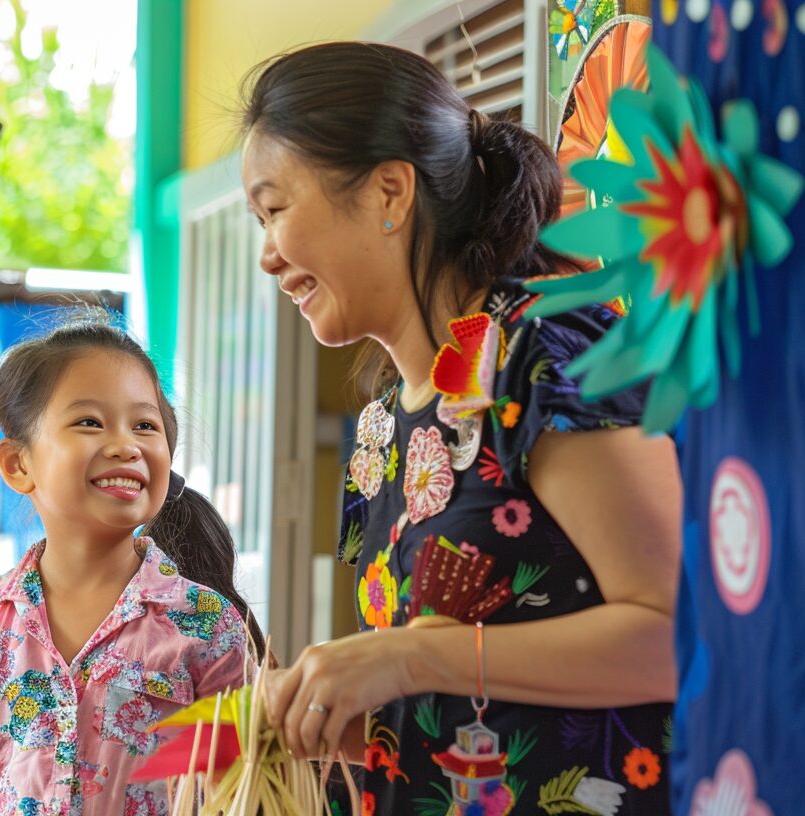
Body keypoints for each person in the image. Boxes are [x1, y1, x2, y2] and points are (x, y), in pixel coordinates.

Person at [241, 43, 680, 813]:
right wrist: (320, 714)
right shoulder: (383, 428)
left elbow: (680, 637)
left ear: (389, 191)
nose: (267, 256)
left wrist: (411, 658)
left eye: (275, 210)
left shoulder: (545, 352)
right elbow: (452, 709)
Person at [0, 317, 263, 815]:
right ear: (18, 464)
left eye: (145, 426)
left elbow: (239, 800)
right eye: (90, 422)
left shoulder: (209, 625)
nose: (126, 445)